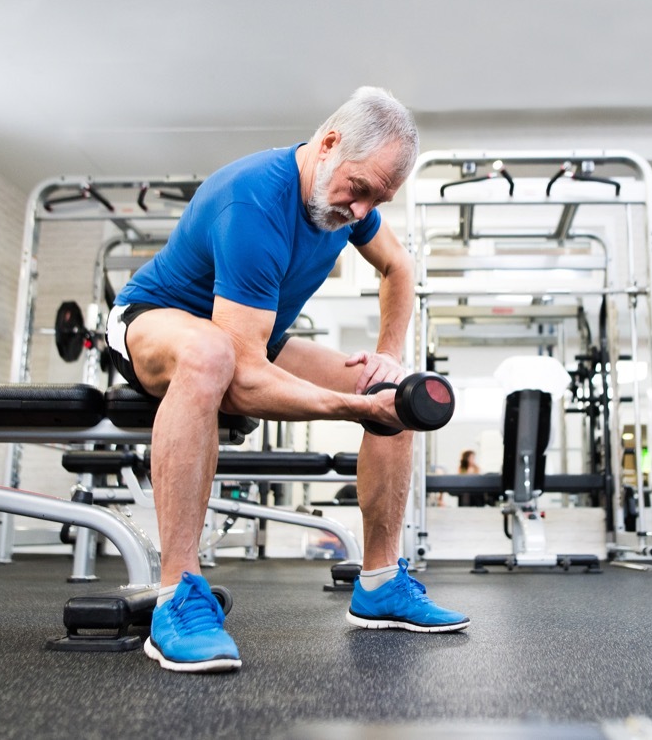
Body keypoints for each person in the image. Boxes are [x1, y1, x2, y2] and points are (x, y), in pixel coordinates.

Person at [106, 86, 469, 674]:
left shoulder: (351, 200)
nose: (360, 212)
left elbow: (399, 266)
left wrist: (389, 358)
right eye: (359, 190)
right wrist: (349, 412)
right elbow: (244, 379)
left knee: (391, 396)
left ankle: (378, 583)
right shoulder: (252, 201)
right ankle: (177, 596)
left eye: (376, 200)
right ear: (328, 144)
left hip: (246, 337)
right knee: (209, 356)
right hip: (152, 321)